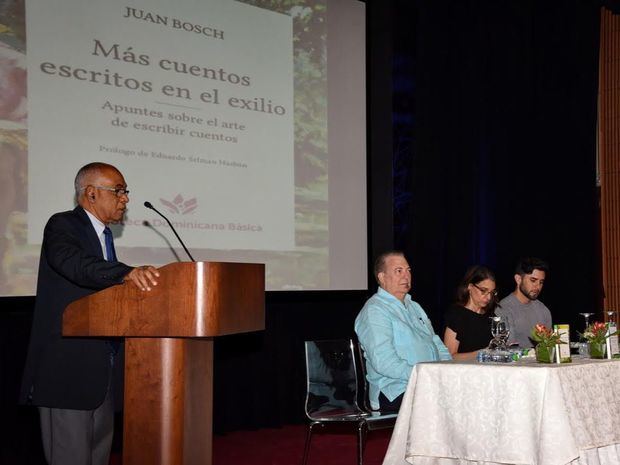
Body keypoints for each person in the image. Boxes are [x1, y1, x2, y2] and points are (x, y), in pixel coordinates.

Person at [19, 162, 160, 465]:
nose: (125, 198)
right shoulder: (63, 225)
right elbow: (73, 263)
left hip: (101, 372)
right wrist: (126, 273)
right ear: (92, 193)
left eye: (125, 192)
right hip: (67, 372)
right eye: (119, 190)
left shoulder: (105, 238)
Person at [354, 251, 451, 412]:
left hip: (427, 381)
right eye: (399, 271)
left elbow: (436, 343)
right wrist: (424, 375)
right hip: (395, 389)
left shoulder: (414, 306)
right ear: (382, 277)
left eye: (408, 270)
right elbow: (384, 362)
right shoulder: (375, 310)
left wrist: (448, 370)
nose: (406, 276)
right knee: (446, 404)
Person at [443, 265, 498, 360]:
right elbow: (449, 357)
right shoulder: (457, 314)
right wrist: (479, 354)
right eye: (483, 291)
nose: (489, 297)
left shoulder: (491, 316)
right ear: (470, 286)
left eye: (492, 293)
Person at [495, 257, 551, 348]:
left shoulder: (543, 309)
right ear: (518, 279)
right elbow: (508, 348)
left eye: (541, 282)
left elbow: (549, 345)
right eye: (533, 280)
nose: (538, 286)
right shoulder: (504, 309)